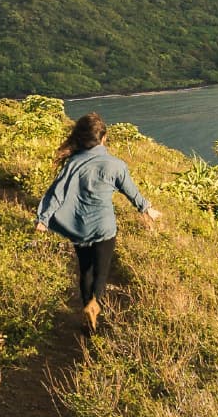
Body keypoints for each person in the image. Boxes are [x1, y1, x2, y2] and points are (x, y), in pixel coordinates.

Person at [34, 113, 161, 331]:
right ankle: (96, 304)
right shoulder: (116, 165)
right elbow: (131, 192)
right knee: (101, 272)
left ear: (80, 138)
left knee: (85, 271)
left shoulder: (72, 164)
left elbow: (56, 194)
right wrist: (147, 209)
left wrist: (43, 219)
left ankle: (87, 317)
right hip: (104, 227)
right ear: (104, 138)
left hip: (79, 229)